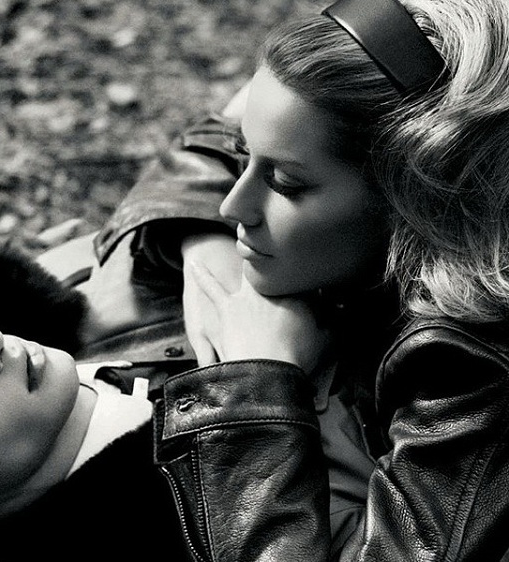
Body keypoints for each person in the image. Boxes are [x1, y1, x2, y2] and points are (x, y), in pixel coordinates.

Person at [94, 0, 509, 559]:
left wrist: (255, 386)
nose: (232, 206)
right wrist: (205, 252)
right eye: (244, 156)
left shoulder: (470, 365)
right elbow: (210, 141)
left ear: (416, 195)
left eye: (286, 184)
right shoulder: (399, 88)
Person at [0, 246, 374, 562]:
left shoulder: (51, 290)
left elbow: (229, 132)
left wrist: (202, 243)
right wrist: (264, 384)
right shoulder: (195, 530)